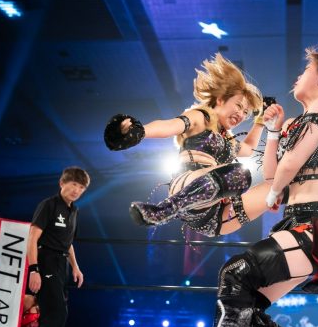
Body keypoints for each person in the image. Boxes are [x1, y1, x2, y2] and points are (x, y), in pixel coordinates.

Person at [163, 48, 318, 327]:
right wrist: (273, 131)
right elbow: (272, 173)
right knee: (246, 305)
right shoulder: (303, 119)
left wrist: (273, 194)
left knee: (236, 273)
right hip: (300, 225)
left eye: (307, 68)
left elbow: (287, 169)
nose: (299, 75)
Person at [105, 53, 267, 237]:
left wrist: (261, 120)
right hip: (186, 185)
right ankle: (164, 210)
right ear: (221, 99)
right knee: (239, 173)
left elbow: (248, 149)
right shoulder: (201, 117)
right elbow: (169, 126)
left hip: (213, 219)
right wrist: (139, 131)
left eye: (246, 112)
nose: (241, 114)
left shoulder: (228, 140)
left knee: (259, 183)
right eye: (238, 106)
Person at [15, 166, 89, 327]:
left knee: (55, 316)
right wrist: (33, 269)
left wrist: (75, 267)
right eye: (73, 184)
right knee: (55, 314)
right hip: (45, 259)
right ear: (62, 183)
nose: (76, 190)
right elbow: (32, 238)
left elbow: (68, 242)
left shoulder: (74, 211)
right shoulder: (49, 205)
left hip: (60, 264)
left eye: (81, 187)